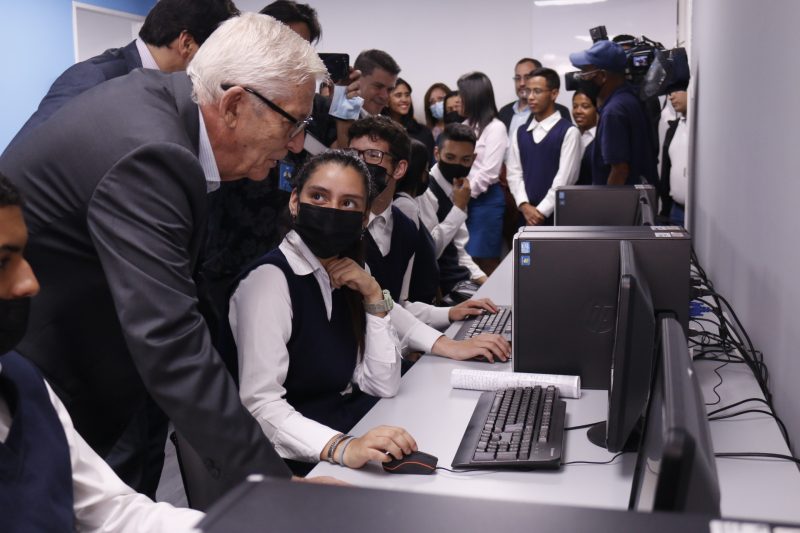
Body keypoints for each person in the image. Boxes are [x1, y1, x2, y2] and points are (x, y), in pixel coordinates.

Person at [0, 13, 326, 499]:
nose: (298, 144)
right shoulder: (152, 151)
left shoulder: (162, 112)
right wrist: (276, 492)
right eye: (293, 122)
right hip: (42, 380)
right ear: (235, 104)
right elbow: (170, 339)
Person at [0, 172, 204, 531]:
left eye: (22, 256)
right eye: (3, 263)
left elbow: (109, 510)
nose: (29, 283)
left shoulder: (21, 377)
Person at [229, 151, 418, 475]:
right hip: (291, 467)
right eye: (318, 196)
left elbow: (382, 384)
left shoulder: (350, 273)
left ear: (363, 219)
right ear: (294, 202)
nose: (331, 210)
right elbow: (261, 406)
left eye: (347, 203)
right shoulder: (270, 281)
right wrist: (343, 447)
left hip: (345, 444)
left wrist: (374, 295)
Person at [348, 116, 510, 363]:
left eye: (371, 155)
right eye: (352, 154)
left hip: (386, 358)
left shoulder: (404, 226)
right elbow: (368, 305)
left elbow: (397, 304)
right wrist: (444, 344)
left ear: (400, 169)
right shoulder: (342, 226)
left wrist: (449, 313)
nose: (358, 165)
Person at [6, 0, 239, 149]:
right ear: (187, 43)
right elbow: (17, 166)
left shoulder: (173, 91)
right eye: (214, 53)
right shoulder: (93, 78)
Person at [569, 39, 658, 186]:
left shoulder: (613, 112)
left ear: (603, 76)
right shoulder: (630, 98)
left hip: (622, 205)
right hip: (637, 200)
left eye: (585, 72)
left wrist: (608, 206)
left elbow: (619, 171)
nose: (581, 77)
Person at [505, 68, 581, 226]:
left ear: (554, 94)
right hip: (525, 216)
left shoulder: (568, 132)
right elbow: (513, 173)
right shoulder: (520, 133)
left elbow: (565, 180)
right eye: (528, 91)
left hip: (557, 217)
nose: (530, 97)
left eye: (537, 91)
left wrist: (540, 212)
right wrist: (524, 206)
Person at [419, 123, 488, 295]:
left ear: (473, 159)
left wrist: (485, 281)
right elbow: (430, 251)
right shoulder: (425, 190)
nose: (457, 165)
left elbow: (459, 250)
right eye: (450, 157)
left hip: (459, 278)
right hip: (437, 287)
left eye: (465, 160)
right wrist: (458, 208)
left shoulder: (458, 188)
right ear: (437, 154)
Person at [458, 72, 508, 275]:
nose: (459, 100)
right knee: (465, 260)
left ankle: (499, 305)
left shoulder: (496, 128)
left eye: (462, 95)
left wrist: (464, 196)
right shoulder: (464, 126)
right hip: (462, 202)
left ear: (474, 96)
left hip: (485, 202)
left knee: (485, 261)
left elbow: (489, 172)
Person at [497, 58, 570, 138]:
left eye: (527, 77)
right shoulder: (504, 111)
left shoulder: (560, 111)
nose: (522, 83)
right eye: (518, 78)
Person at [382, 78, 435, 163]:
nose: (404, 100)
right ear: (387, 100)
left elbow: (429, 164)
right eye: (398, 95)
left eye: (407, 95)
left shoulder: (424, 132)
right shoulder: (379, 131)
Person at [659, 87, 689, 225]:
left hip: (700, 212)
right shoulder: (674, 128)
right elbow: (667, 169)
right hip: (676, 210)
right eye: (670, 93)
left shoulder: (703, 127)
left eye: (676, 90)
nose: (671, 97)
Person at [353, 49, 401, 116]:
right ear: (356, 79)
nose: (384, 96)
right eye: (378, 86)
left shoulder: (384, 123)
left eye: (389, 90)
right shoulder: (338, 122)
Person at [571, 88, 599, 185]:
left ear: (597, 109)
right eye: (575, 106)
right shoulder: (569, 135)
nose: (578, 111)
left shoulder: (602, 139)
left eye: (585, 106)